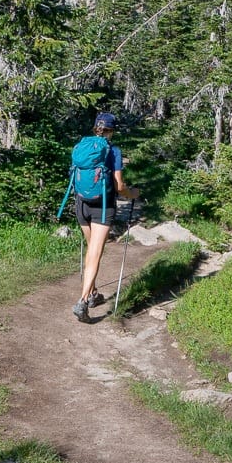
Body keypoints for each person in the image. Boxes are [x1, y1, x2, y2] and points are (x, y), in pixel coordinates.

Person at [71, 112, 137, 321]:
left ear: (95, 127)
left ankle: (92, 294)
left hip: (81, 203)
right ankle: (82, 301)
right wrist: (133, 194)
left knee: (90, 251)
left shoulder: (82, 146)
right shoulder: (114, 151)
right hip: (103, 205)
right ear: (112, 130)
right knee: (95, 253)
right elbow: (119, 187)